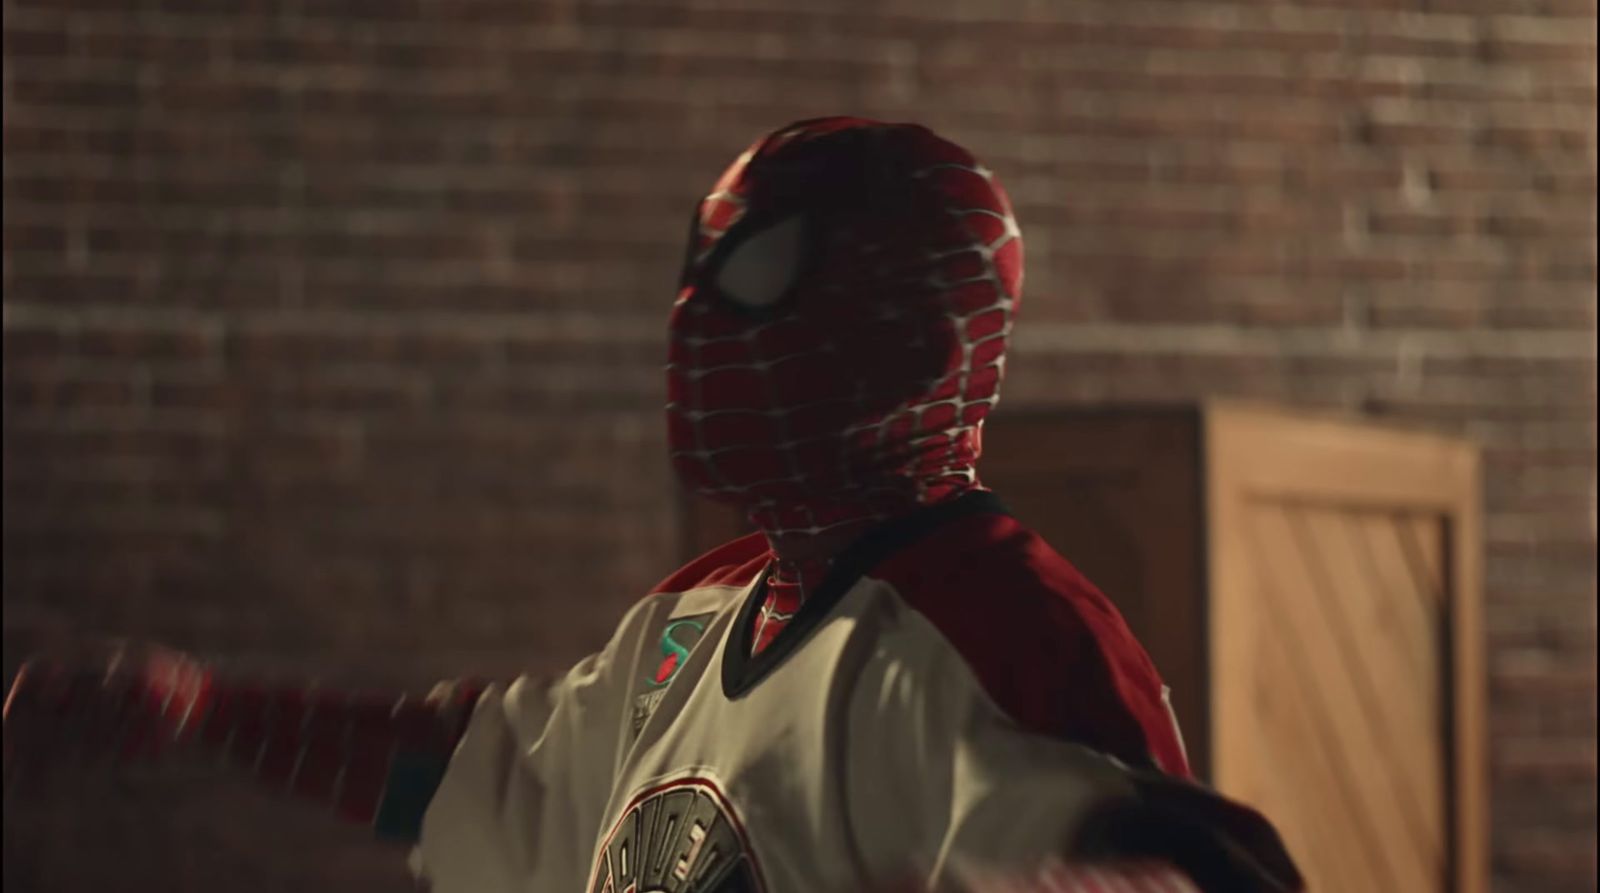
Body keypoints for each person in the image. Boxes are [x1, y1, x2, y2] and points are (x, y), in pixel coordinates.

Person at [3, 117, 1301, 893]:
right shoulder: (696, 615)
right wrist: (207, 710)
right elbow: (483, 775)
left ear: (914, 344)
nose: (692, 325)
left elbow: (1173, 860)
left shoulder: (1003, 629)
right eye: (696, 273)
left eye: (760, 274)